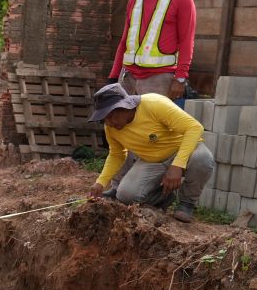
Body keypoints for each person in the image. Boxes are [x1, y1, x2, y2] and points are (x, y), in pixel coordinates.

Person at [85, 81, 215, 223]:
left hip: (183, 149)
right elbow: (117, 154)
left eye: (111, 116)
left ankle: (186, 203)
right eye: (104, 119)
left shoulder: (154, 104)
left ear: (124, 107)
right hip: (152, 160)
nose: (109, 123)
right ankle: (164, 196)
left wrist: (177, 165)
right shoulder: (111, 128)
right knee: (125, 195)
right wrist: (100, 183)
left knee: (203, 159)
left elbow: (194, 127)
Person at [109, 0, 195, 105]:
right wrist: (114, 76)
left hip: (160, 78)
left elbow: (186, 40)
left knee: (152, 127)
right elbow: (124, 41)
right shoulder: (134, 0)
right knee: (122, 125)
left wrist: (180, 78)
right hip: (128, 76)